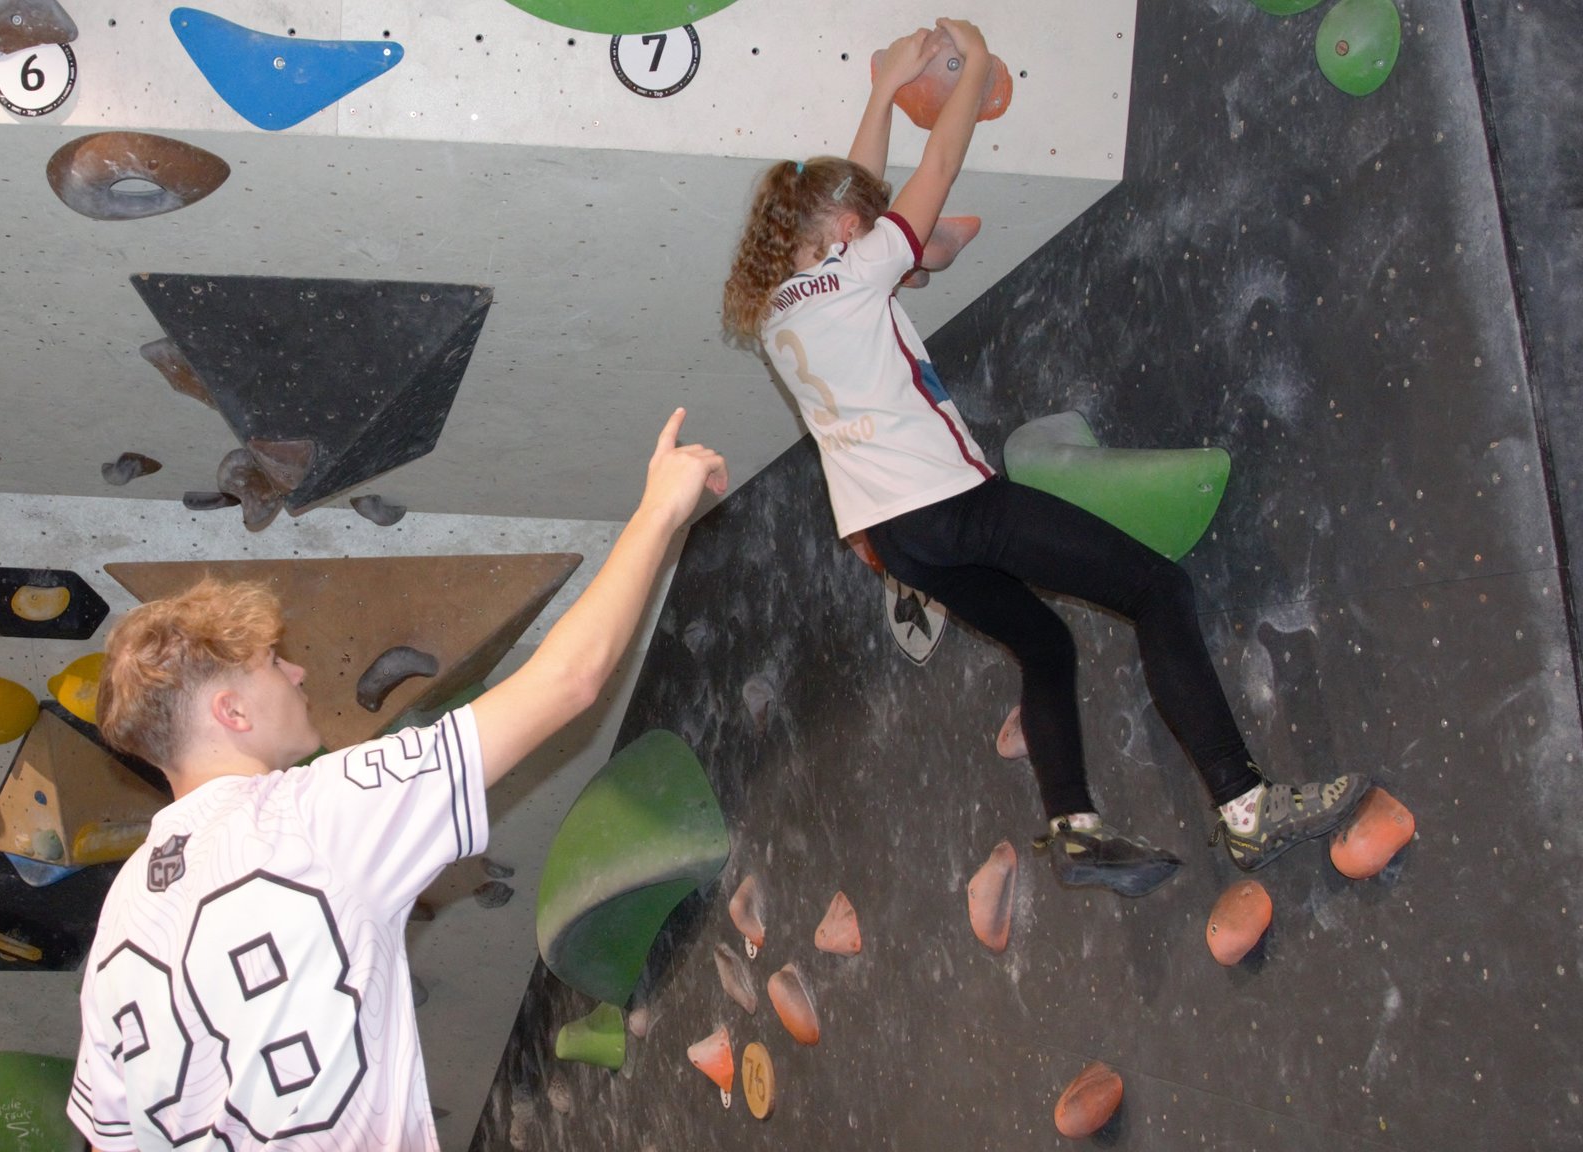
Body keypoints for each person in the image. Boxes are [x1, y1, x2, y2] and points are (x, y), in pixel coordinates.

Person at [719, 20, 1368, 897]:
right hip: (950, 503)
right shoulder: (854, 271)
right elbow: (930, 174)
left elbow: (856, 187)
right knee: (1156, 590)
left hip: (897, 540)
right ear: (839, 230)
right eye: (859, 220)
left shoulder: (777, 310)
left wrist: (882, 92)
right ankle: (1245, 805)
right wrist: (973, 67)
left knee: (1046, 643)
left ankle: (1074, 826)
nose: (875, 223)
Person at [66, 410, 727, 1151]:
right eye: (271, 666)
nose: (298, 673)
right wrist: (661, 508)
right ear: (230, 711)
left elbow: (104, 1138)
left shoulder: (124, 914)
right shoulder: (315, 816)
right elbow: (569, 681)